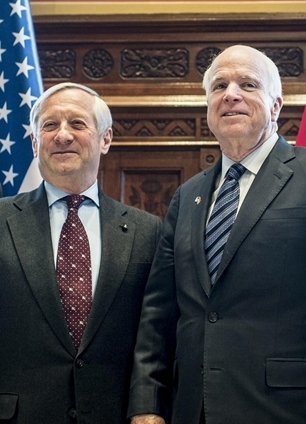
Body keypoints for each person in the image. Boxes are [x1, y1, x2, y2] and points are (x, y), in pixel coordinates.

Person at [127, 45, 306, 424]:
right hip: (192, 409)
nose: (231, 94)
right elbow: (158, 313)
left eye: (248, 84)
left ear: (276, 106)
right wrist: (147, 403)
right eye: (219, 86)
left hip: (287, 411)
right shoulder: (188, 195)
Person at [0, 82, 161, 423]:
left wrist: (148, 407)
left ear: (105, 139)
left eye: (77, 123)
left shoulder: (147, 231)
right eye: (50, 125)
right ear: (34, 142)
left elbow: (155, 334)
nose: (62, 135)